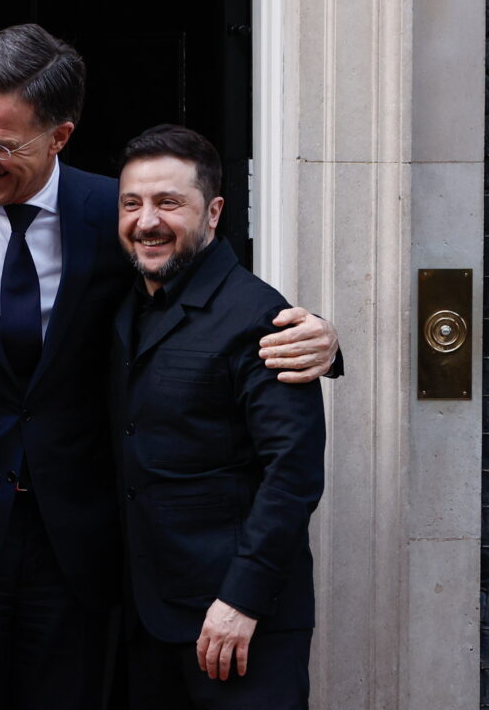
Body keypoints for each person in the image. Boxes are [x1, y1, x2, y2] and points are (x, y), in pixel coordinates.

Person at [0, 24, 338, 710]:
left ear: (59, 136)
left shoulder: (114, 211)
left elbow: (203, 298)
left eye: (4, 145)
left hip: (86, 549)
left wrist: (321, 336)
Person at [109, 124, 325, 709]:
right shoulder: (125, 305)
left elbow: (294, 473)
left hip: (238, 626)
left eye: (168, 202)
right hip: (145, 623)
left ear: (214, 212)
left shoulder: (262, 318)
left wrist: (242, 600)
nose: (146, 221)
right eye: (132, 203)